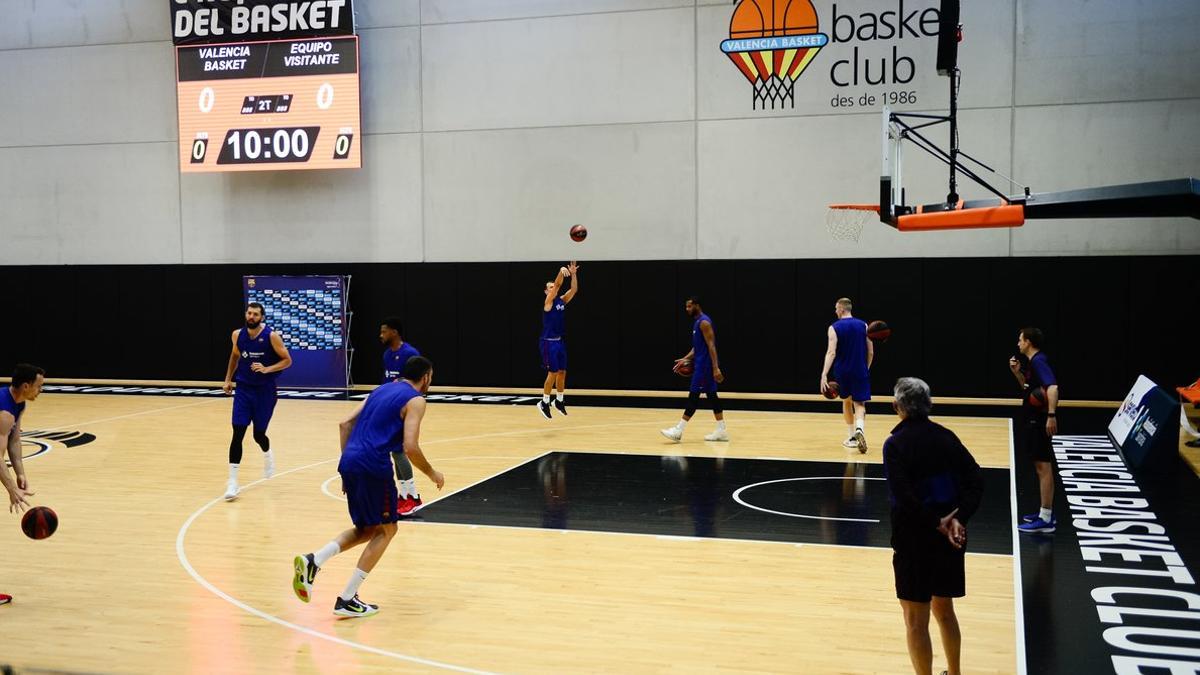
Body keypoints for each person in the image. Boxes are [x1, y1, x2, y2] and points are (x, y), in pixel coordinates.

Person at [292, 356, 444, 617]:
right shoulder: (416, 400)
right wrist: (432, 473)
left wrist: (346, 467)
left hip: (350, 461)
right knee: (388, 530)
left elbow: (344, 424)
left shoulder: (381, 389)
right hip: (374, 464)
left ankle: (313, 560)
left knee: (366, 529)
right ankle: (347, 598)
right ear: (427, 377)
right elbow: (410, 446)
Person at [883, 377, 983, 675]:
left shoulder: (895, 444)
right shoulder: (947, 437)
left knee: (915, 621)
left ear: (897, 406)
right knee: (945, 610)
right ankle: (954, 672)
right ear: (929, 404)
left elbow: (905, 497)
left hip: (914, 539)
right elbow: (976, 481)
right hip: (951, 538)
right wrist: (958, 518)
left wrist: (935, 522)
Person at [222, 302, 292, 501]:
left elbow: (287, 360)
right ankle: (233, 481)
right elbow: (234, 357)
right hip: (243, 389)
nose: (251, 316)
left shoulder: (271, 336)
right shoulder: (237, 335)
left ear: (262, 317)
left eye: (255, 314)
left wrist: (267, 369)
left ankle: (267, 453)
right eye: (249, 313)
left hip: (265, 392)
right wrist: (228, 379)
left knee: (259, 434)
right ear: (246, 314)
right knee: (238, 431)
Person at [0, 364, 46, 607]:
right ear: (26, 386)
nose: (41, 390)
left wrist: (20, 474)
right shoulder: (4, 412)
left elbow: (15, 439)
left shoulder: (18, 403)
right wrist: (11, 490)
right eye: (39, 386)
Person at [1009, 327, 1060, 534]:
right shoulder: (1032, 363)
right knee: (1040, 466)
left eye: (1020, 339)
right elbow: (1027, 389)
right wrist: (1017, 373)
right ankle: (1045, 513)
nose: (1018, 343)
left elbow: (1053, 388)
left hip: (1038, 422)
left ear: (1028, 341)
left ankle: (1046, 518)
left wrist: (1051, 415)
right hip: (1033, 420)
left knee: (1043, 467)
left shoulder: (1039, 361)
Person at [661, 297, 728, 442]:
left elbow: (711, 346)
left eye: (690, 306)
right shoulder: (697, 322)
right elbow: (697, 347)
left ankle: (678, 430)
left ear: (697, 305)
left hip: (704, 367)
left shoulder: (704, 322)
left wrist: (716, 368)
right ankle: (721, 430)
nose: (687, 309)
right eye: (686, 307)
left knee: (693, 397)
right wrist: (686, 358)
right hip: (701, 365)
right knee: (712, 397)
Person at [379, 317, 423, 514]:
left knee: (399, 450)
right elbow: (387, 381)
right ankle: (404, 496)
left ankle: (412, 496)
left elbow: (418, 381)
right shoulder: (387, 354)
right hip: (390, 406)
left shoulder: (410, 354)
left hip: (405, 406)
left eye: (384, 331)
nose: (381, 335)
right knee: (395, 451)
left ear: (394, 332)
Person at [820, 297, 873, 453]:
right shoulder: (864, 325)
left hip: (843, 371)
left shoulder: (834, 327)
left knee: (847, 402)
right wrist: (866, 368)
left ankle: (851, 437)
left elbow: (831, 352)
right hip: (860, 370)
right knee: (860, 403)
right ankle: (860, 430)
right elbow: (870, 351)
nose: (835, 311)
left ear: (842, 309)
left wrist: (824, 374)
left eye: (836, 308)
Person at [538, 261, 579, 419]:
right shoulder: (548, 303)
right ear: (546, 292)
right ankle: (544, 402)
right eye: (549, 287)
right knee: (553, 373)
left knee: (562, 372)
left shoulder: (561, 301)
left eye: (552, 287)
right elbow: (557, 285)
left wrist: (573, 274)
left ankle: (559, 400)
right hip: (548, 342)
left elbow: (574, 290)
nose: (552, 288)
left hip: (559, 341)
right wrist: (561, 272)